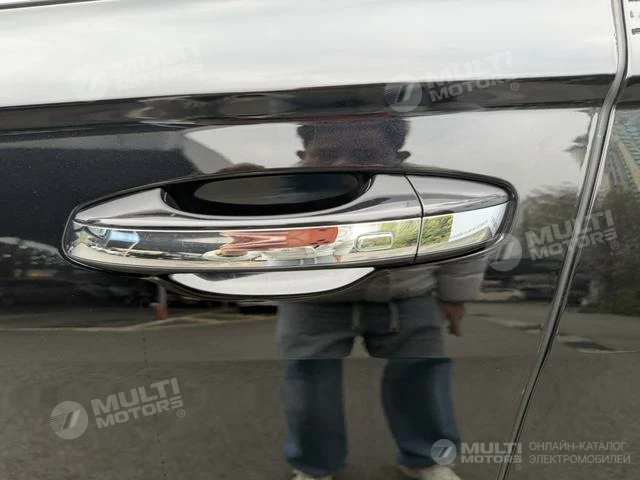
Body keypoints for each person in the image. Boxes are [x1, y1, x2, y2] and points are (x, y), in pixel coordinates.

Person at [277, 118, 486, 480]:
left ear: (397, 157)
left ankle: (424, 459)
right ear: (302, 156)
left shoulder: (429, 189)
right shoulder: (277, 190)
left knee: (421, 377)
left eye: (365, 154)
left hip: (408, 294)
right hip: (312, 300)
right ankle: (314, 465)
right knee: (309, 385)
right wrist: (232, 197)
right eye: (326, 156)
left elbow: (463, 238)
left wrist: (455, 296)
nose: (344, 165)